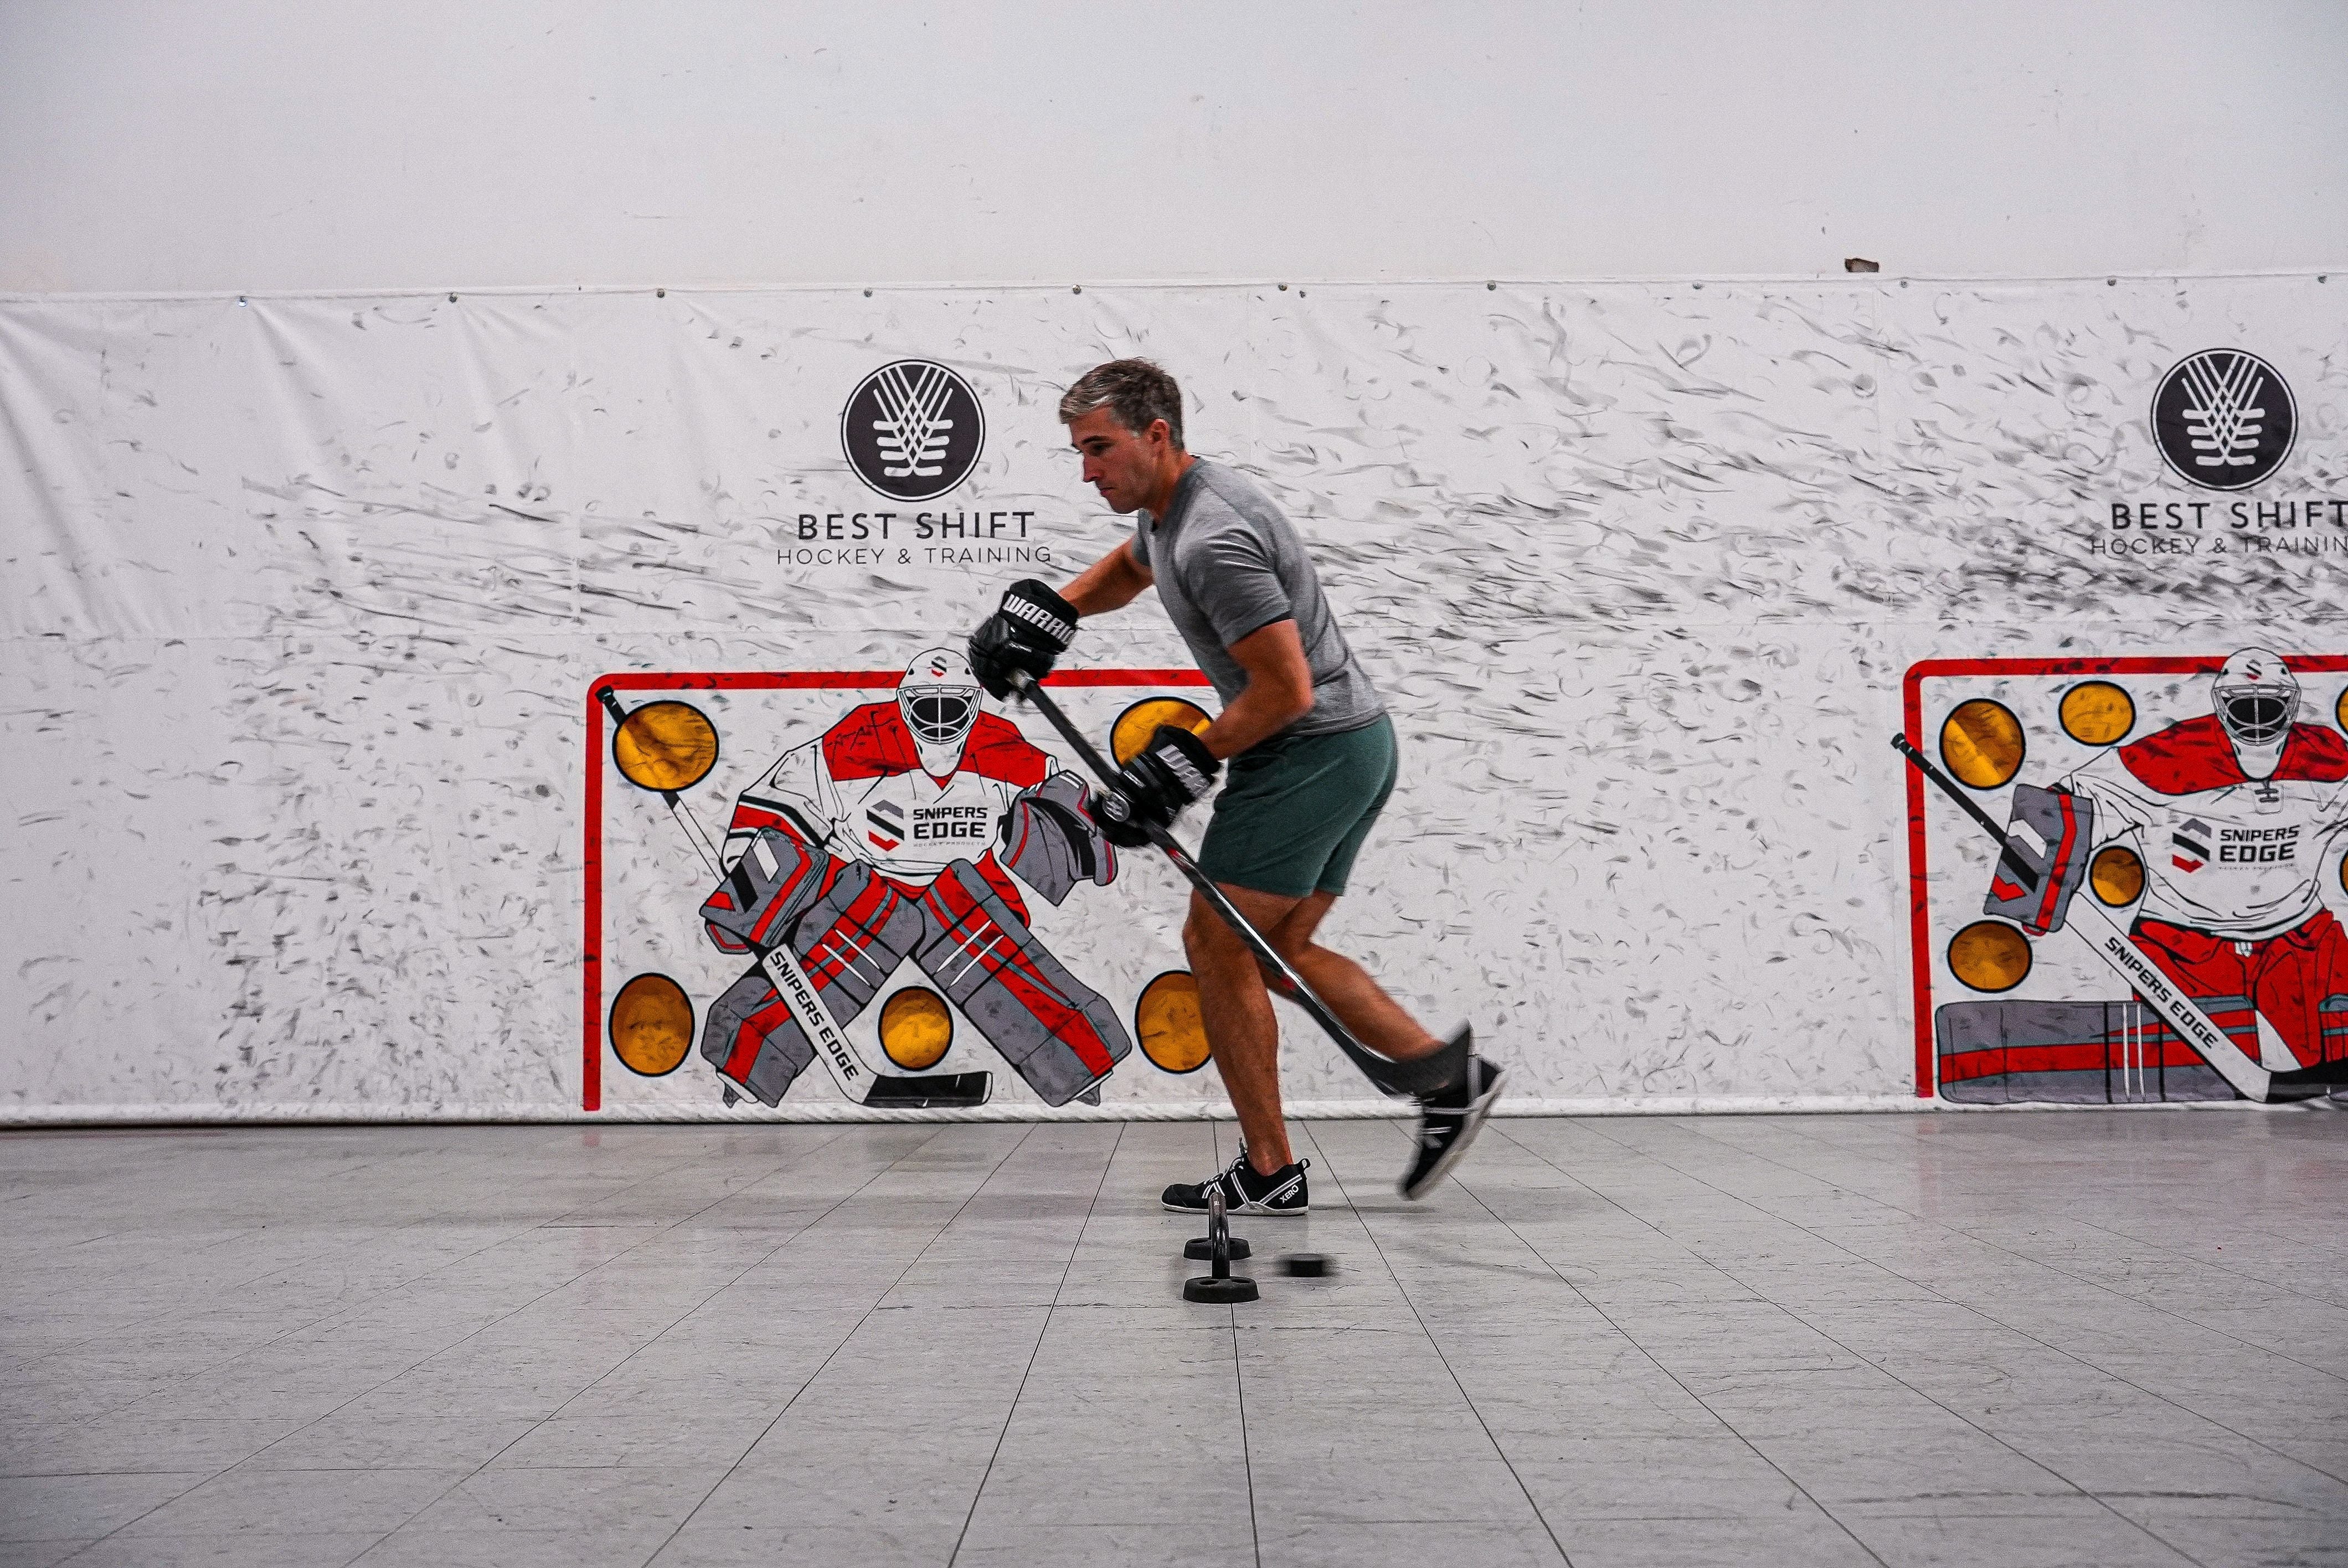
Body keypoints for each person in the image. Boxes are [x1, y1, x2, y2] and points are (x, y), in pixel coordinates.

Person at [966, 358, 1503, 1209]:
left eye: (1099, 448)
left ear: (1157, 435)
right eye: (1078, 451)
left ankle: (1268, 1171)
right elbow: (1137, 566)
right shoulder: (1175, 508)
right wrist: (1058, 610)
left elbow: (1284, 689)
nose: (1086, 469)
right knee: (1275, 952)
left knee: (1216, 946)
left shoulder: (1215, 539)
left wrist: (1183, 764)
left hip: (1308, 753)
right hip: (1356, 746)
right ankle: (1448, 1079)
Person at [2056, 648, 2348, 1086]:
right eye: (2243, 704)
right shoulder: (2167, 756)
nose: (2256, 716)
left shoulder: (2329, 759)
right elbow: (2071, 800)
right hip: (2183, 946)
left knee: (2329, 1063)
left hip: (2299, 940)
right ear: (2220, 703)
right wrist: (2033, 890)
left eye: (2267, 704)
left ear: (2290, 703)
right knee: (2186, 1079)